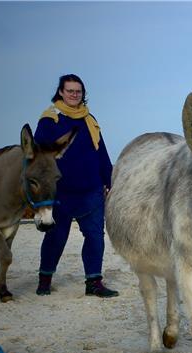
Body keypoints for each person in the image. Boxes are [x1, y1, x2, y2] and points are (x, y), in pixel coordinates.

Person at [34, 74, 118, 297]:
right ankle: (44, 279)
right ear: (60, 92)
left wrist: (108, 181)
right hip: (61, 191)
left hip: (91, 190)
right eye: (69, 90)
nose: (74, 94)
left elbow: (101, 153)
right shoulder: (49, 120)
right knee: (55, 237)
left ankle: (94, 283)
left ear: (83, 93)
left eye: (78, 91)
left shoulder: (89, 120)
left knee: (95, 237)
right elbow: (40, 158)